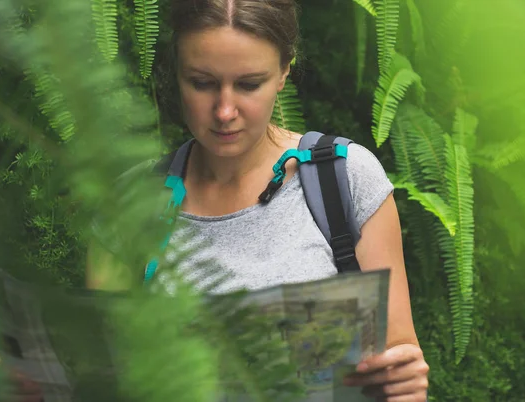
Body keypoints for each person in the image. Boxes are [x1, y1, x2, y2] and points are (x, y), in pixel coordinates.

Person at [88, 0, 430, 401]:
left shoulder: (344, 179)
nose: (225, 110)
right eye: (201, 82)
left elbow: (397, 366)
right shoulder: (130, 205)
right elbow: (100, 376)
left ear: (284, 71)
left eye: (249, 84)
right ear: (175, 73)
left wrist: (407, 382)